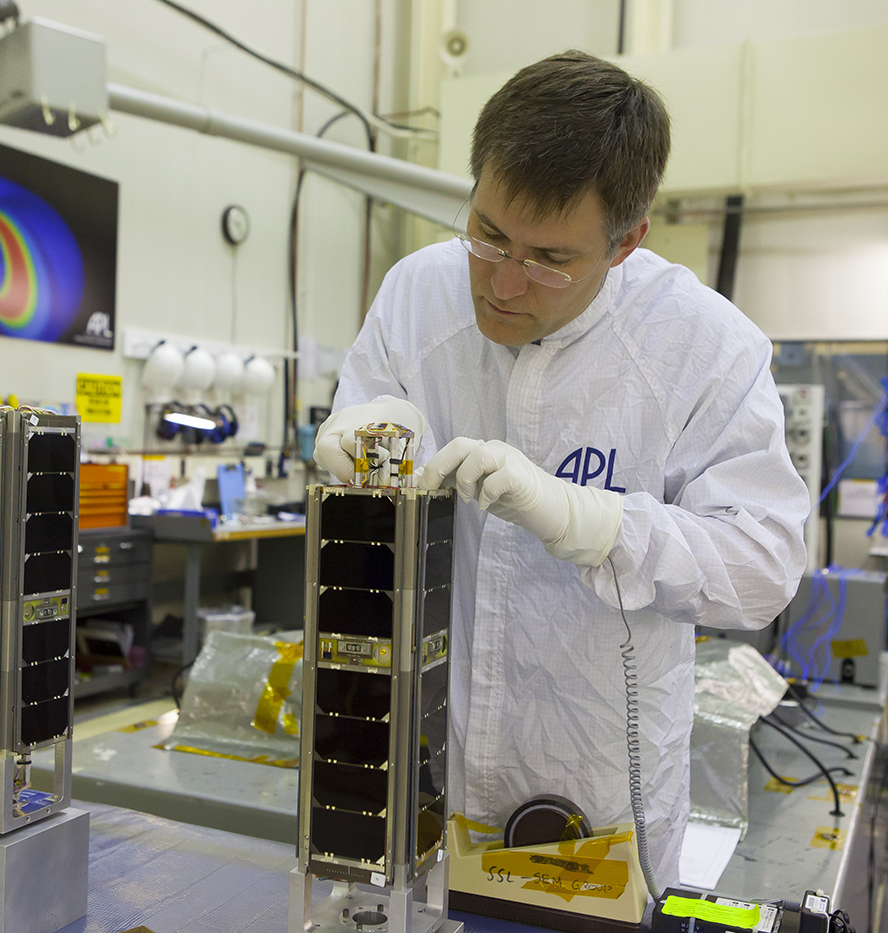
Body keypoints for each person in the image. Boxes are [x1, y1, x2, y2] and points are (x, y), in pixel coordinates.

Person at [314, 51, 809, 891]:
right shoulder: (416, 296)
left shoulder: (703, 347)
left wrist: (599, 523)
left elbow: (763, 567)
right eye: (489, 234)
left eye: (549, 258)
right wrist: (354, 456)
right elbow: (361, 459)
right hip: (432, 767)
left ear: (626, 244)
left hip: (599, 797)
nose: (503, 282)